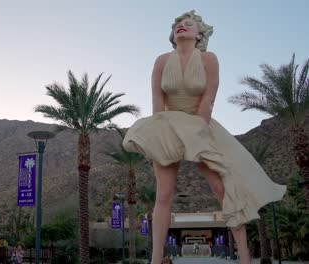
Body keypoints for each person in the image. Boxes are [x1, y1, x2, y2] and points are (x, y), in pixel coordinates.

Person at [122, 10, 286, 264]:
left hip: (200, 125)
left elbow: (208, 100)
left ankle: (244, 255)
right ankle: (156, 259)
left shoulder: (209, 59)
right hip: (167, 124)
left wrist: (196, 134)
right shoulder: (162, 61)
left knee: (222, 188)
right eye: (178, 24)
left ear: (200, 34)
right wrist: (157, 138)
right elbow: (157, 104)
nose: (181, 26)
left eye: (188, 24)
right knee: (163, 194)